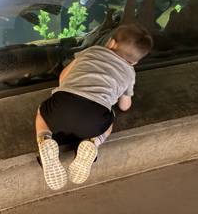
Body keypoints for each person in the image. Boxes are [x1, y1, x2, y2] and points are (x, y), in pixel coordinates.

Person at [35, 23, 154, 190]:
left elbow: (63, 77)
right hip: (94, 117)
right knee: (110, 121)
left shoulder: (91, 51)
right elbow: (125, 105)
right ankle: (93, 143)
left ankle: (45, 139)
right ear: (135, 62)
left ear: (111, 43)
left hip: (63, 104)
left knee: (42, 113)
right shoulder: (129, 73)